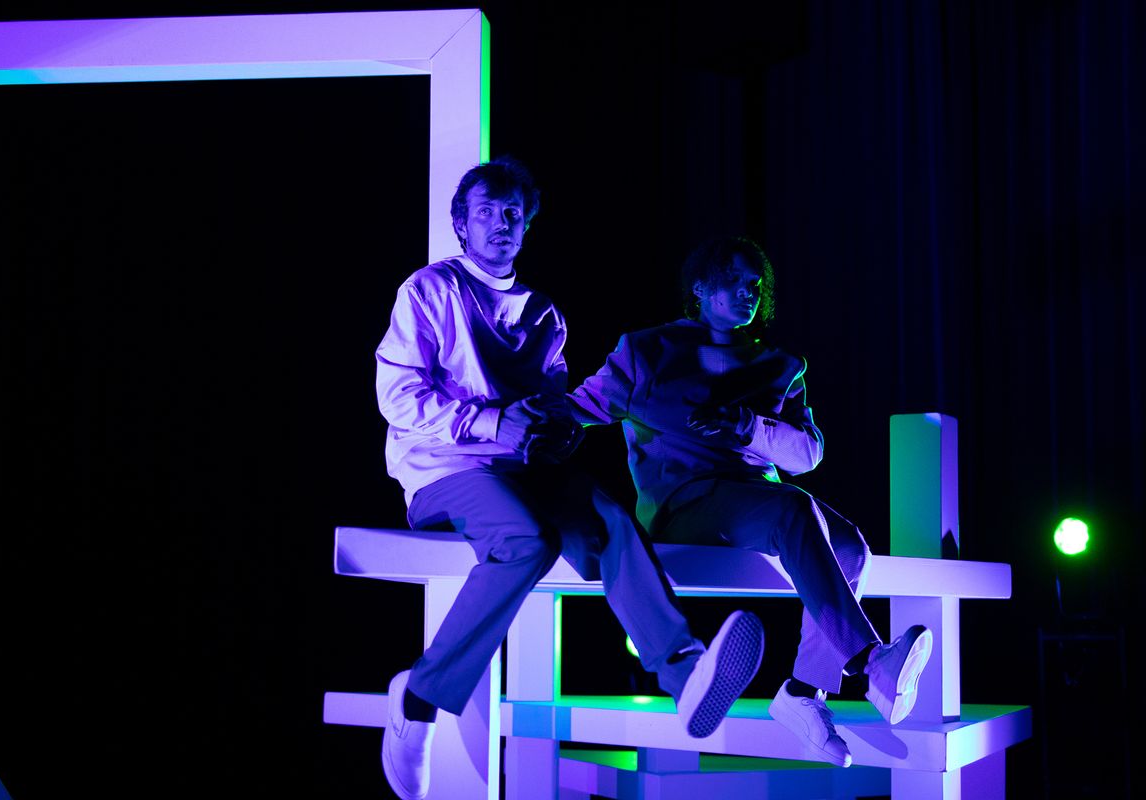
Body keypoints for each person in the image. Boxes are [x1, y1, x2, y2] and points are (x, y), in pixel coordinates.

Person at [374, 160, 765, 800]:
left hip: (525, 470)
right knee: (527, 541)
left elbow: (551, 408)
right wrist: (491, 423)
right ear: (461, 224)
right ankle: (417, 699)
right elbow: (398, 396)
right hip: (443, 469)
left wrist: (553, 431)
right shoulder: (430, 289)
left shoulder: (544, 314)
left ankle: (686, 672)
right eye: (486, 211)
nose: (501, 223)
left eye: (512, 212)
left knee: (611, 519)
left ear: (527, 224)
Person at [567, 235, 933, 768]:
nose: (747, 293)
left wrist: (746, 425)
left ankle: (803, 693)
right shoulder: (646, 351)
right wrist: (500, 430)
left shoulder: (780, 365)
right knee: (794, 509)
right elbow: (577, 409)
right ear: (699, 287)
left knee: (851, 546)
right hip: (684, 504)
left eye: (755, 285)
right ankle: (871, 662)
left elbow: (806, 453)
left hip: (757, 501)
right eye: (734, 281)